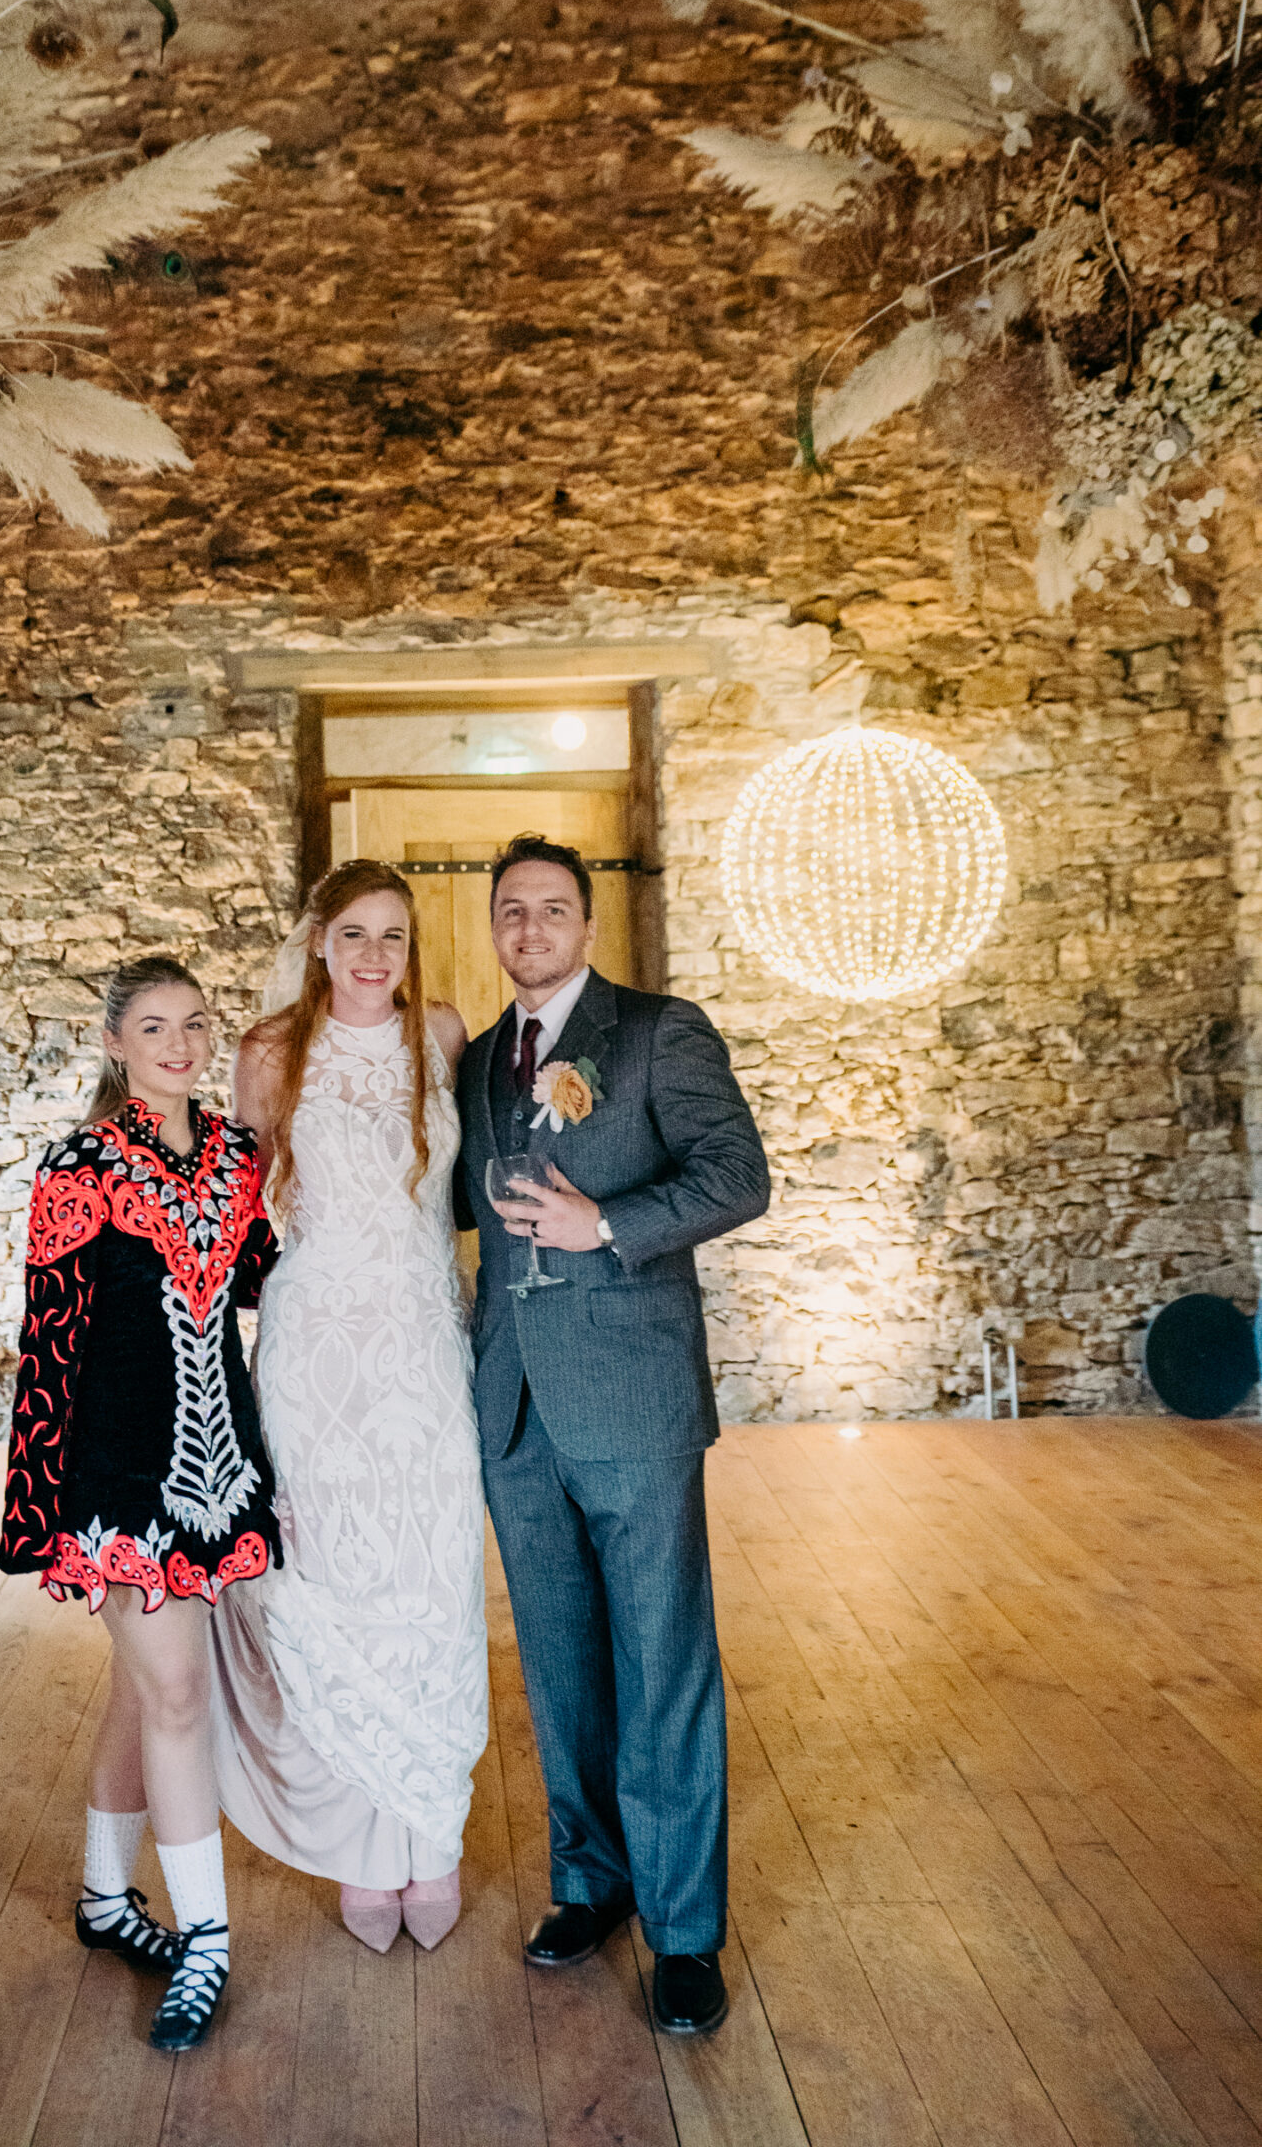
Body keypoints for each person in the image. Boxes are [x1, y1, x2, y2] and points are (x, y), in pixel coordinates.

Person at [456, 834, 770, 2038]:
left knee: (664, 1663)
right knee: (560, 1661)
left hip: (632, 1399)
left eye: (552, 909)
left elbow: (738, 1175)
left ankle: (685, 1933)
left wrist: (610, 1224)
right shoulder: (485, 1061)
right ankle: (590, 1881)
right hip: (515, 1404)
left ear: (588, 925)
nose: (530, 928)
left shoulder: (657, 1031)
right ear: (494, 929)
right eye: (511, 911)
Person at [0, 955, 279, 2054]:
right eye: (154, 1026)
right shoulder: (76, 1166)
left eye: (193, 1025)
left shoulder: (236, 1157)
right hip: (113, 1480)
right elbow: (49, 1345)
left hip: (217, 1471)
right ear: (115, 1042)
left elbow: (262, 1285)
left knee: (143, 1687)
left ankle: (108, 1902)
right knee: (176, 1691)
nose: (178, 1043)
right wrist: (40, 1513)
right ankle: (206, 1935)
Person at [209, 859, 489, 1954]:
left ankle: (435, 1838)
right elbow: (239, 1216)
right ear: (318, 940)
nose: (376, 956)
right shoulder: (269, 1052)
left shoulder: (447, 1035)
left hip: (424, 1351)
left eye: (395, 937)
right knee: (340, 1583)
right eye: (356, 934)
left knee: (432, 1580)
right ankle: (369, 1857)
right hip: (318, 1355)